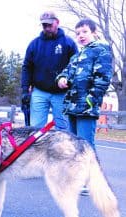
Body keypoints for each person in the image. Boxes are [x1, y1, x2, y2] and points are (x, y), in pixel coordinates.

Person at [56, 18, 112, 196]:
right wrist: (62, 79)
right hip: (72, 105)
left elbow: (103, 78)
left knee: (86, 144)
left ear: (94, 33)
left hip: (86, 106)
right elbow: (66, 72)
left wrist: (91, 99)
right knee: (74, 144)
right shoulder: (77, 55)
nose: (80, 36)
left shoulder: (101, 51)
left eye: (85, 32)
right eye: (78, 33)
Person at [21, 11, 78, 129]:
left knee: (63, 129)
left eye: (49, 25)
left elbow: (76, 66)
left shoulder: (69, 43)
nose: (47, 28)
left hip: (62, 93)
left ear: (57, 22)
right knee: (35, 129)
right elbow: (27, 67)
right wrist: (25, 90)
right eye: (44, 25)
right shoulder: (34, 44)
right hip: (39, 92)